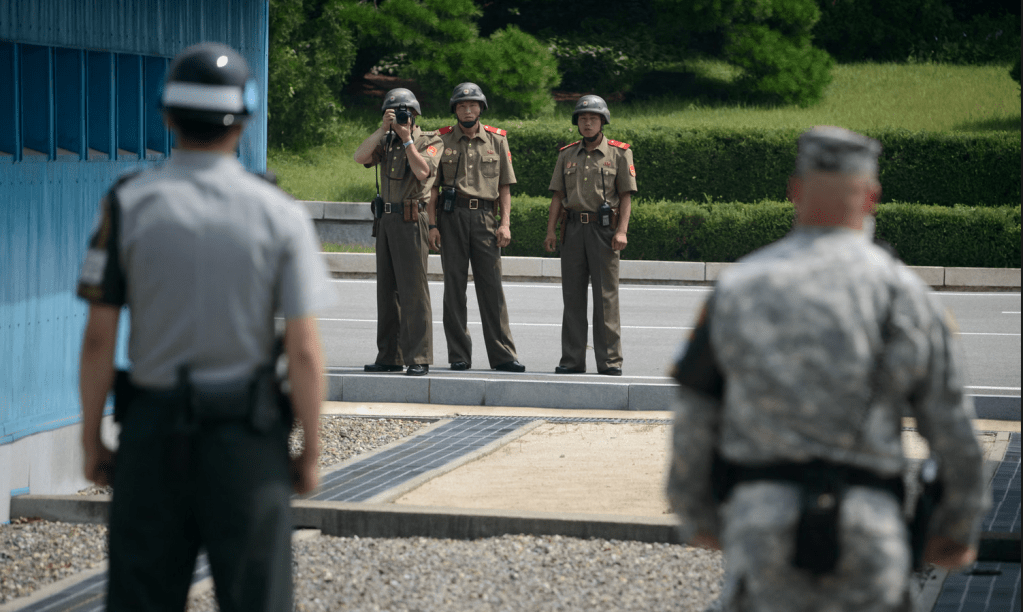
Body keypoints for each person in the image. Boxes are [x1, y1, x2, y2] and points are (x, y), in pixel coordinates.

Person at [666, 126, 990, 611]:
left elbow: (694, 414)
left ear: (795, 190)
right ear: (872, 198)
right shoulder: (904, 294)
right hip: (869, 525)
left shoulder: (738, 288)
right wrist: (956, 528)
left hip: (762, 522)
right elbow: (953, 427)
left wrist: (698, 516)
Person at [76, 42, 335, 611]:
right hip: (246, 440)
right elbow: (305, 351)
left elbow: (99, 337)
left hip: (152, 436)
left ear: (168, 116)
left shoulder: (128, 205)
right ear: (244, 118)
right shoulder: (279, 213)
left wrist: (92, 437)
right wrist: (310, 450)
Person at [427, 83, 525, 373]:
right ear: (454, 110)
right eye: (461, 106)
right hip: (451, 218)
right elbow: (432, 189)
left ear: (481, 108)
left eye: (472, 105)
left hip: (484, 218)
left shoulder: (497, 140)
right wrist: (432, 225)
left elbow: (505, 187)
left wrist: (505, 224)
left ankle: (503, 355)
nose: (467, 110)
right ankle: (459, 354)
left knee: (492, 289)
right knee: (454, 288)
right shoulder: (441, 139)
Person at [543, 95, 636, 376]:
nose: (587, 123)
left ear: (602, 121)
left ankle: (609, 361)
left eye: (592, 118)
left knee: (606, 297)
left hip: (604, 231)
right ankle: (572, 360)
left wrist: (622, 231)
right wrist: (550, 231)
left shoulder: (619, 153)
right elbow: (558, 196)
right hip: (572, 229)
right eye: (582, 119)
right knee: (572, 297)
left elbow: (626, 196)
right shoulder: (567, 154)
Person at [354, 88, 441, 376]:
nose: (402, 117)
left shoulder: (430, 140)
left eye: (406, 113)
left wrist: (406, 140)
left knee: (414, 292)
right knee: (387, 292)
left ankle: (418, 358)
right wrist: (383, 130)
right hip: (386, 221)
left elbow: (422, 172)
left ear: (415, 115)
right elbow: (360, 156)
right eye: (395, 113)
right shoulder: (386, 141)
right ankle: (389, 356)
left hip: (411, 218)